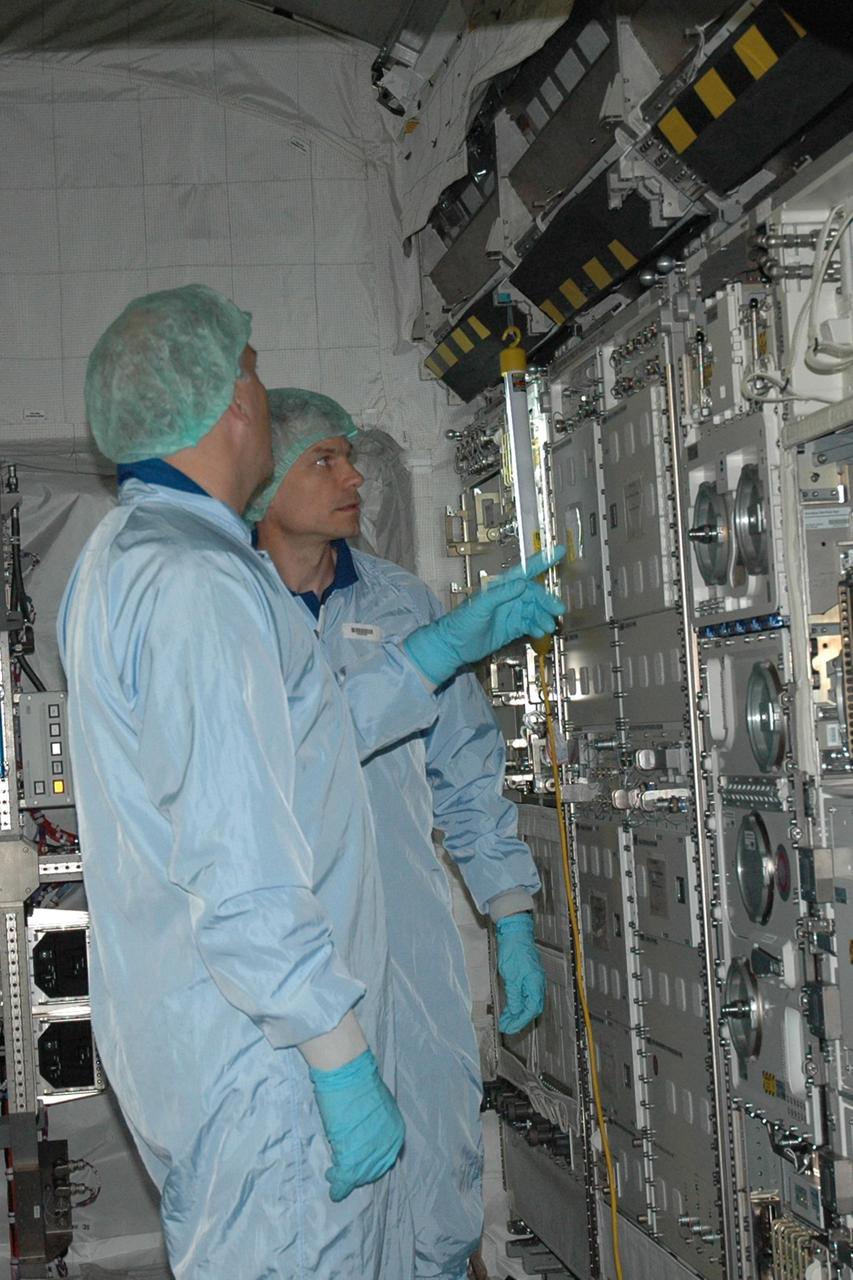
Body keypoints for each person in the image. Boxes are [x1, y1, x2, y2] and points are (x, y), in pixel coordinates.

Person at [57, 285, 565, 1279]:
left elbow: (305, 741)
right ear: (232, 405)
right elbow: (237, 847)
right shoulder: (199, 585)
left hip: (242, 1053)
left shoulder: (143, 555)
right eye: (250, 366)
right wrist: (334, 1054)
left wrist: (438, 649)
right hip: (272, 1065)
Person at [249, 388, 552, 1280]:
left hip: (408, 946)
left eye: (352, 457)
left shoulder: (400, 600)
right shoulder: (229, 613)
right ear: (264, 484)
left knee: (434, 1169)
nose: (354, 478)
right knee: (312, 1190)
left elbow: (464, 773)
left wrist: (511, 916)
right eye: (325, 461)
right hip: (289, 947)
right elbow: (285, 766)